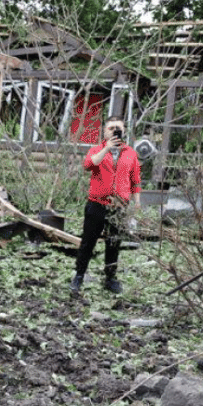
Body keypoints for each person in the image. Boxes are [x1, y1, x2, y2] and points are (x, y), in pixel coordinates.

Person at [71, 118, 141, 295]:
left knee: (114, 243)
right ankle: (79, 276)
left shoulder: (131, 153)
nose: (115, 130)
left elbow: (135, 180)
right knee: (88, 242)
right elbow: (89, 165)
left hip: (118, 207)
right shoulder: (96, 150)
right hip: (97, 204)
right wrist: (107, 148)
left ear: (124, 131)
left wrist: (137, 201)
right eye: (111, 128)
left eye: (119, 128)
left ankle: (110, 278)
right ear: (105, 131)